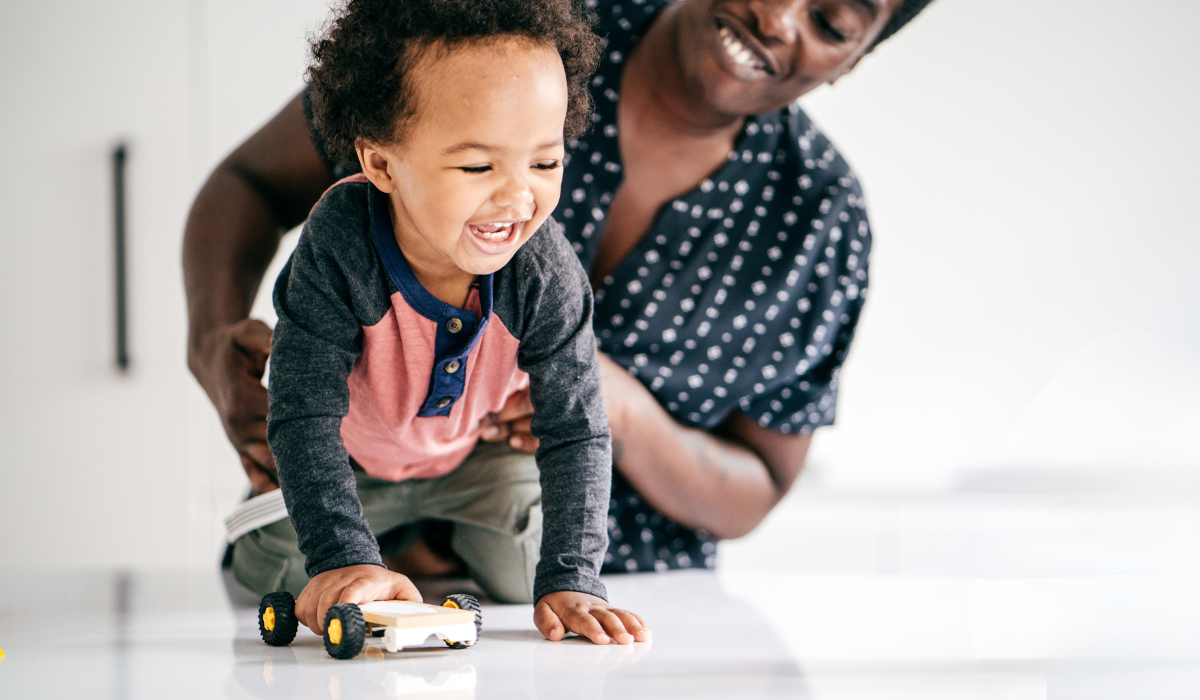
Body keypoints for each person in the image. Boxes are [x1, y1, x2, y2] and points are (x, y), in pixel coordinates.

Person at [185, 0, 933, 581]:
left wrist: (617, 409)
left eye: (832, 20)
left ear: (854, 57)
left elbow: (761, 481)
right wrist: (211, 339)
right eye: (480, 167)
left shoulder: (820, 220)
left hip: (583, 609)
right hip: (339, 543)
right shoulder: (508, 36)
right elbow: (249, 182)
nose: (775, 15)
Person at [243, 0, 651, 645]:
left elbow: (576, 430)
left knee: (530, 576)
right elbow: (304, 413)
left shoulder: (545, 272)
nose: (519, 197)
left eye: (545, 163)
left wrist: (573, 576)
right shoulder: (339, 246)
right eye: (477, 167)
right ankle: (378, 547)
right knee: (282, 567)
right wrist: (341, 556)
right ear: (381, 164)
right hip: (350, 463)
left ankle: (424, 545)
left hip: (471, 463)